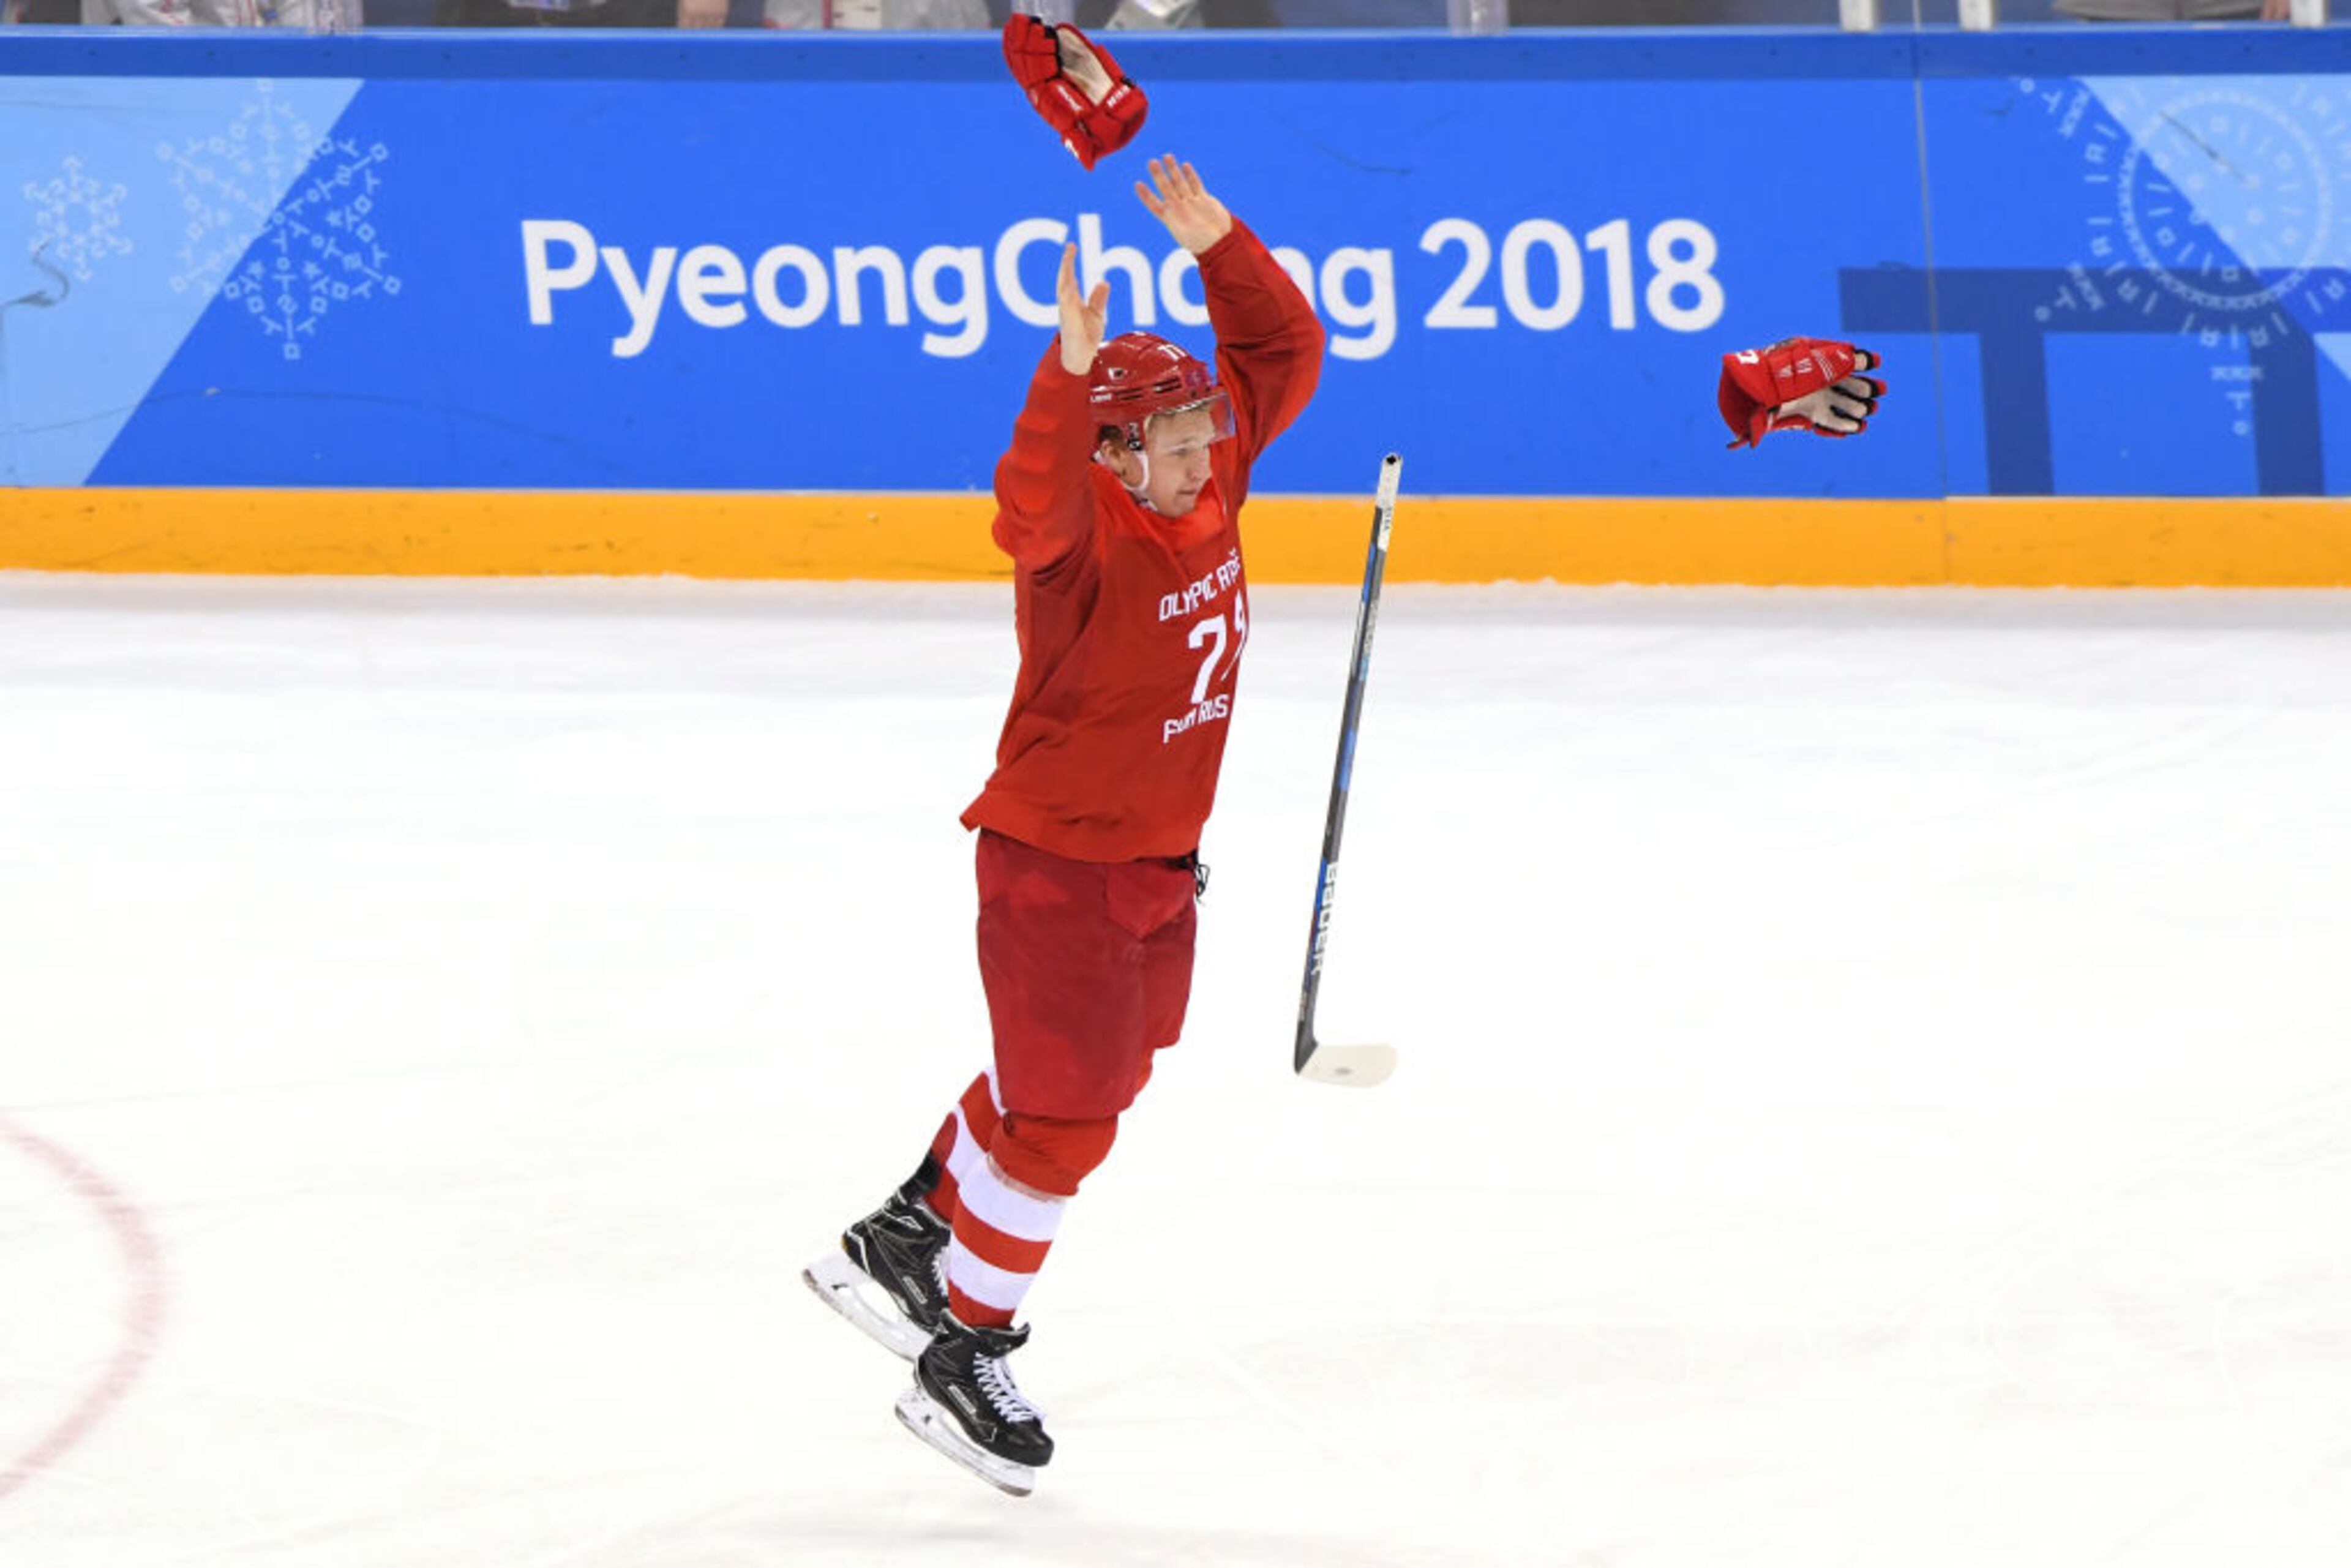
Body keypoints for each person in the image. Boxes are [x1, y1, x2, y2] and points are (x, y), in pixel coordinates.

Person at [803, 152, 1324, 1498]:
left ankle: (917, 1223)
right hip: (1057, 867)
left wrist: (1224, 247)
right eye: (1174, 434)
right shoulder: (1084, 532)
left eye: (1208, 426)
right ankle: (961, 1351)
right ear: (1116, 448)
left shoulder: (1210, 482)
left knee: (1118, 1063)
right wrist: (1064, 370)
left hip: (1155, 870)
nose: (1206, 446)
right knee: (1069, 1116)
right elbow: (1022, 496)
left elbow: (1287, 347)